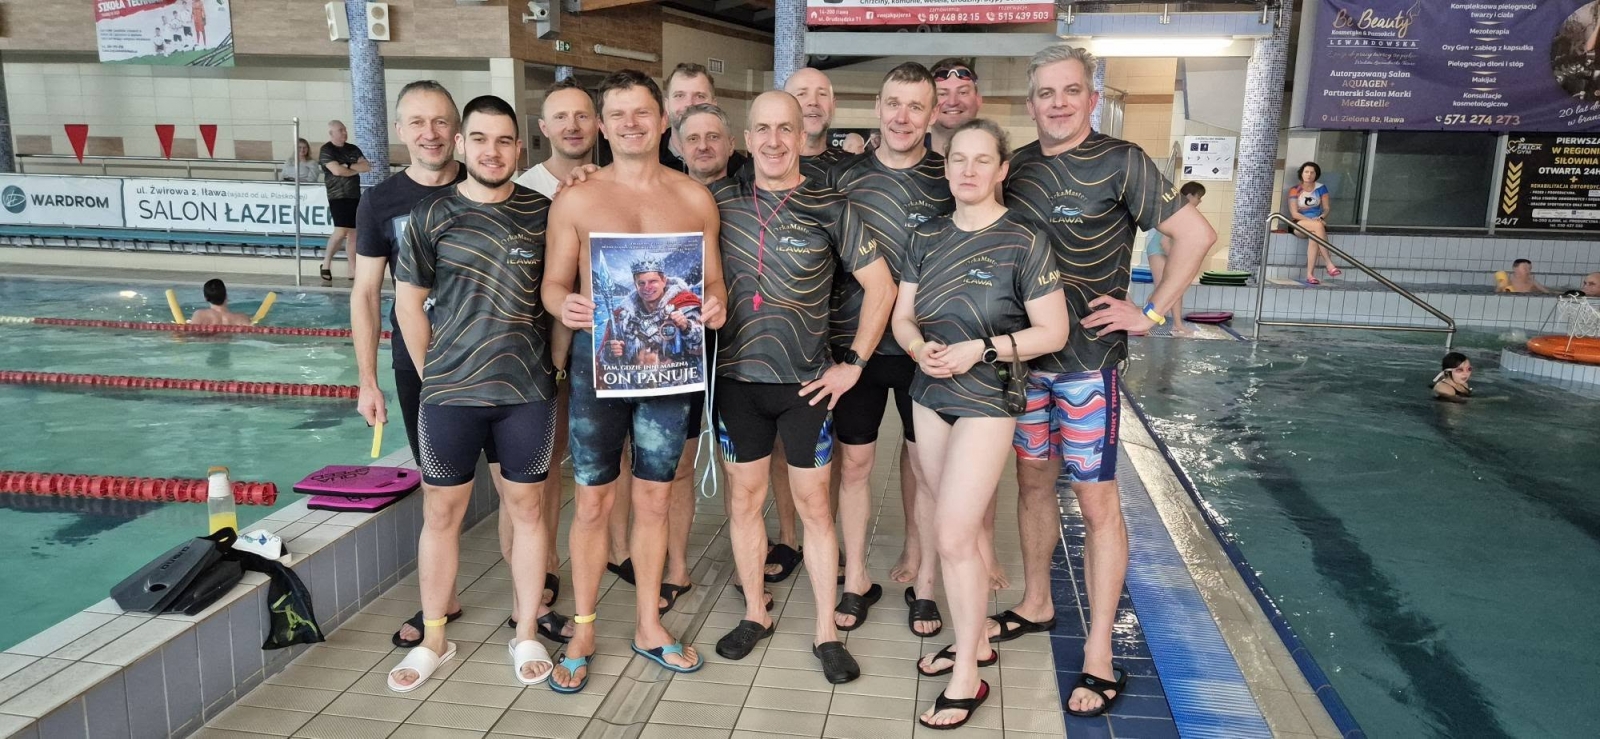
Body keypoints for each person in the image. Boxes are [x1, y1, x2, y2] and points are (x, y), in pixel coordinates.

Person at [1002, 44, 1216, 718]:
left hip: (1089, 366)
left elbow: (1197, 235)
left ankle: (1099, 651)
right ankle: (1037, 600)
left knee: (1097, 504)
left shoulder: (1123, 161)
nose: (1058, 103)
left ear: (1092, 98)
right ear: (1030, 102)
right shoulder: (1017, 167)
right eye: (1045, 93)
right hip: (1026, 363)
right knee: (1032, 485)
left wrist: (1149, 313)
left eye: (1071, 91)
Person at [354, 81, 565, 651]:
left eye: (503, 140)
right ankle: (436, 629)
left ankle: (527, 623)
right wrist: (432, 379)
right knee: (442, 509)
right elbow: (397, 301)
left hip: (524, 387)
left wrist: (555, 366)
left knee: (524, 505)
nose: (491, 150)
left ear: (518, 148)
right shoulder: (419, 212)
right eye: (480, 139)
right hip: (444, 387)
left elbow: (559, 292)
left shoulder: (542, 212)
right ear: (464, 145)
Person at [541, 69, 728, 693]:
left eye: (641, 112)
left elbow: (713, 281)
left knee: (653, 498)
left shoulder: (694, 198)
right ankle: (584, 629)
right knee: (594, 501)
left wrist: (716, 304)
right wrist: (565, 305)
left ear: (663, 119)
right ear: (601, 125)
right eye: (617, 114)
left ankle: (649, 624)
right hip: (599, 369)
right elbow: (553, 284)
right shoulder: (576, 199)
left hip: (667, 373)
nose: (630, 123)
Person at [709, 90, 896, 685]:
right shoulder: (718, 201)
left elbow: (883, 287)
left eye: (784, 129)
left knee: (815, 507)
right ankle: (755, 613)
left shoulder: (830, 205)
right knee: (744, 502)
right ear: (747, 137)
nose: (773, 140)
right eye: (762, 129)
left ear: (800, 134)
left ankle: (825, 631)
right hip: (736, 381)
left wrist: (854, 364)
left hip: (805, 386)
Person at [893, 118, 1069, 731]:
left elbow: (1054, 332)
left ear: (1001, 170)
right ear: (946, 169)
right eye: (958, 159)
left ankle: (968, 673)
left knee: (952, 533)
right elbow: (903, 317)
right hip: (929, 393)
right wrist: (917, 348)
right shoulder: (927, 235)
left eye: (981, 160)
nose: (968, 170)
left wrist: (982, 350)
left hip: (988, 398)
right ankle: (976, 643)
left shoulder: (1024, 238)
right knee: (956, 533)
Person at [826, 62, 954, 637]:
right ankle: (855, 577)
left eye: (916, 106)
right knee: (854, 463)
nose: (903, 117)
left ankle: (925, 583)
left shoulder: (949, 177)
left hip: (926, 350)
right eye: (894, 104)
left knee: (926, 467)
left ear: (932, 114)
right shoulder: (843, 178)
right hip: (855, 346)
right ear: (878, 107)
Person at [599, 257, 705, 369]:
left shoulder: (684, 307)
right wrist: (610, 354)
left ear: (664, 281)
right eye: (641, 283)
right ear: (635, 285)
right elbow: (606, 364)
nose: (647, 288)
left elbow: (702, 345)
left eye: (653, 281)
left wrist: (686, 326)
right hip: (637, 378)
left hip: (679, 377)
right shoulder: (624, 318)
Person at [660, 63, 749, 175]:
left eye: (700, 96)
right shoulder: (648, 159)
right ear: (667, 105)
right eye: (679, 96)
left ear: (714, 104)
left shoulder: (742, 171)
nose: (689, 104)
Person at [517, 79, 599, 199]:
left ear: (597, 124)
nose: (572, 127)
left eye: (582, 116)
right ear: (544, 128)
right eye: (560, 117)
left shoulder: (613, 184)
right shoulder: (522, 192)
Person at [1146, 182, 1207, 335]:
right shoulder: (1177, 210)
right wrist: (1176, 261)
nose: (1200, 201)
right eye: (1198, 197)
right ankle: (1152, 322)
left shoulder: (1183, 210)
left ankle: (1173, 324)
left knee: (1169, 289)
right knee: (1167, 289)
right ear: (1189, 196)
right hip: (1158, 251)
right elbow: (1164, 241)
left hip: (1164, 251)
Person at [319, 120, 371, 283]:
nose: (344, 132)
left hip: (354, 194)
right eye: (340, 130)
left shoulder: (353, 149)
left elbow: (366, 167)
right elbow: (336, 170)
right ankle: (326, 263)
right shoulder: (327, 150)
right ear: (331, 133)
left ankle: (352, 269)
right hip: (337, 195)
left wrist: (347, 166)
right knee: (341, 231)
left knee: (354, 233)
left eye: (345, 130)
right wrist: (352, 169)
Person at [784, 67, 849, 180]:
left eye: (822, 94)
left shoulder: (854, 169)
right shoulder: (761, 168)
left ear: (833, 105)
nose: (813, 102)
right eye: (802, 94)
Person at [1288, 161, 1340, 285]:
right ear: (1301, 174)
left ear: (1316, 175)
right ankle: (1329, 263)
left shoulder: (1321, 188)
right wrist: (1314, 221)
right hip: (1299, 223)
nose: (1309, 175)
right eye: (1306, 172)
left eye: (1312, 172)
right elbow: (1294, 214)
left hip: (1317, 223)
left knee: (1315, 236)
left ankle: (1310, 275)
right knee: (1318, 226)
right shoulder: (1295, 190)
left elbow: (1326, 208)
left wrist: (1321, 217)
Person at [929, 58, 983, 156]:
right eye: (942, 94)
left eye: (963, 92)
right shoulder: (905, 158)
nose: (952, 102)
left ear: (978, 100)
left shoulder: (998, 159)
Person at [675, 103, 736, 185]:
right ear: (682, 149)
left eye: (713, 137)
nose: (703, 147)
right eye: (693, 139)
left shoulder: (750, 192)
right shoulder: (664, 193)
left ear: (731, 145)